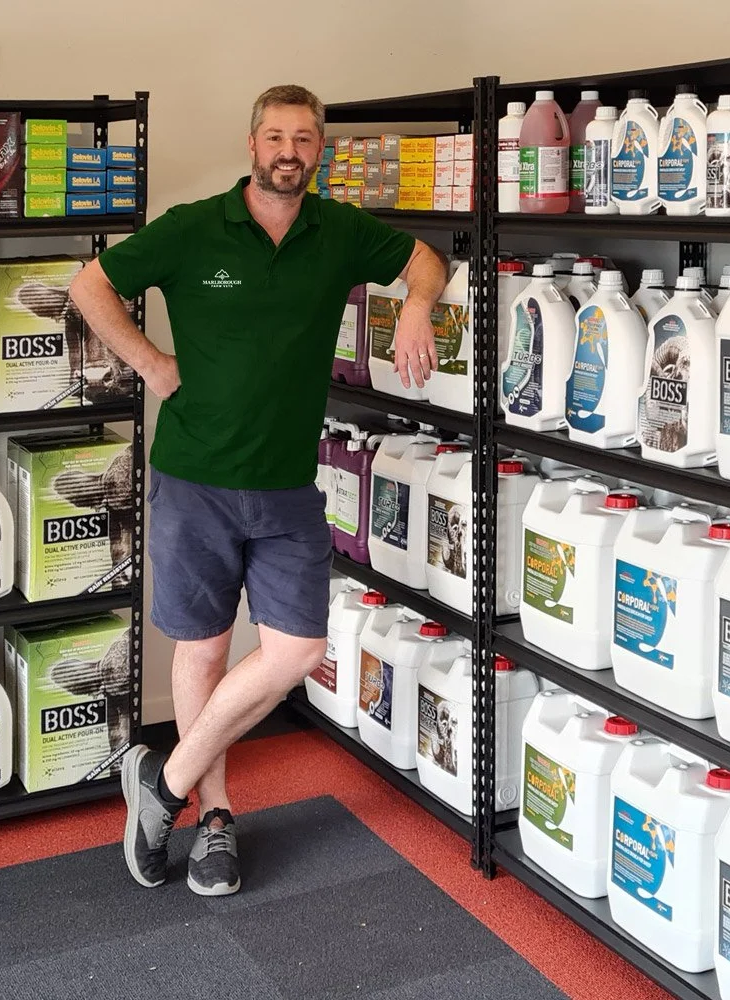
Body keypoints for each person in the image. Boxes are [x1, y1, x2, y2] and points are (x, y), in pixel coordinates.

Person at [69, 83, 448, 897]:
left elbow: (426, 261)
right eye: (275, 136)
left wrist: (418, 306)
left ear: (319, 150)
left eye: (305, 139)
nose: (289, 151)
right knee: (203, 650)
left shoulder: (338, 230)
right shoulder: (194, 228)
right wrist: (150, 363)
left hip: (286, 484)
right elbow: (89, 287)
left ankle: (161, 784)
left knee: (296, 652)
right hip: (195, 477)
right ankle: (212, 820)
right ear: (252, 145)